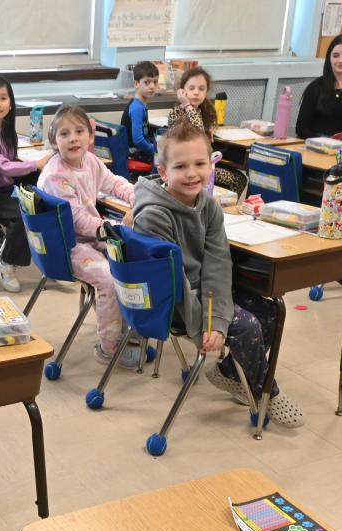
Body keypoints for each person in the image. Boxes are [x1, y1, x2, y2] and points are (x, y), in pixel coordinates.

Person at [132, 124, 304, 428]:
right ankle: (267, 392)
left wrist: (218, 319)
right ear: (163, 171)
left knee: (270, 313)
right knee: (248, 326)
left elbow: (217, 264)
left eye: (200, 164)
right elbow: (174, 285)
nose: (192, 173)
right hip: (175, 304)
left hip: (201, 295)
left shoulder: (209, 207)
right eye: (181, 166)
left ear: (212, 164)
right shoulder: (154, 216)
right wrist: (205, 325)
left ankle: (228, 372)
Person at [37, 105, 140, 367]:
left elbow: (113, 182)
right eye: (64, 133)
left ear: (89, 136)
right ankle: (108, 347)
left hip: (91, 237)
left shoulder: (91, 161)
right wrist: (112, 227)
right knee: (108, 278)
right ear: (54, 141)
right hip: (66, 246)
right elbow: (78, 221)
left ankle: (130, 328)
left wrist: (135, 197)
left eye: (79, 131)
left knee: (134, 258)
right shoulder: (55, 175)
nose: (73, 138)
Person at [0, 76, 52, 293]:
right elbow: (3, 167)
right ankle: (6, 263)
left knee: (48, 201)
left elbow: (10, 162)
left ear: (11, 102)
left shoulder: (6, 130)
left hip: (6, 187)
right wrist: (36, 163)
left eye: (3, 98)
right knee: (25, 214)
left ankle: (50, 261)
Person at [166, 66, 248, 195]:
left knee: (241, 177)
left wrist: (209, 130)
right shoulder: (177, 112)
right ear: (182, 91)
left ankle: (222, 209)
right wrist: (187, 104)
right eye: (191, 88)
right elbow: (198, 133)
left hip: (202, 162)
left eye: (201, 89)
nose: (196, 92)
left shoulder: (200, 110)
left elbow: (201, 130)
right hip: (187, 166)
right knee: (237, 179)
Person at [296, 34, 342, 139]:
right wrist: (326, 141)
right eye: (335, 55)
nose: (340, 60)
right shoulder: (315, 87)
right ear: (329, 57)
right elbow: (301, 129)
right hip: (316, 144)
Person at [120, 61, 159, 166]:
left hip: (139, 150)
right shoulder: (137, 108)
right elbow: (138, 140)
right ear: (136, 84)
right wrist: (155, 150)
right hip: (133, 153)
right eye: (147, 82)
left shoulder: (140, 104)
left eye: (155, 82)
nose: (152, 86)